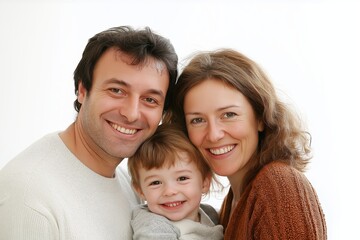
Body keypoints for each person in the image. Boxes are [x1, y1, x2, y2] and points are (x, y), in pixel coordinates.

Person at [0, 26, 178, 240]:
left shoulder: (130, 185)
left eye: (150, 99)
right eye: (117, 90)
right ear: (82, 90)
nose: (131, 114)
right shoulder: (30, 198)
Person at [168, 49, 327, 239]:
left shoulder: (278, 186)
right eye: (197, 120)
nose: (214, 134)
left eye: (229, 115)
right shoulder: (233, 201)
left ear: (260, 117)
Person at [127, 123, 224, 240]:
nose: (170, 191)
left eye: (182, 178)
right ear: (140, 190)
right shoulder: (153, 226)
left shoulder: (210, 214)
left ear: (204, 182)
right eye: (155, 182)